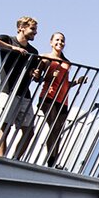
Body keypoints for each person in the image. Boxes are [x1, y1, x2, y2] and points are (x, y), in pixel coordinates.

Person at [0, 16, 42, 158]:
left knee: (29, 130)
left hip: (24, 94)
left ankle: (15, 159)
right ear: (21, 28)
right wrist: (12, 48)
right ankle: (1, 157)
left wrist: (35, 74)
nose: (35, 32)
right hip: (8, 90)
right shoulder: (8, 39)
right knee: (4, 125)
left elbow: (34, 75)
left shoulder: (33, 51)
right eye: (32, 29)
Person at [34, 31, 87, 168]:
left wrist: (77, 81)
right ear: (51, 42)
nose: (60, 42)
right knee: (54, 127)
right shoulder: (45, 57)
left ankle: (54, 161)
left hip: (63, 101)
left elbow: (65, 84)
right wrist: (49, 75)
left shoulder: (66, 63)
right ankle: (51, 161)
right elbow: (37, 78)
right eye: (57, 40)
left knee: (58, 131)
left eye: (62, 41)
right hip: (48, 98)